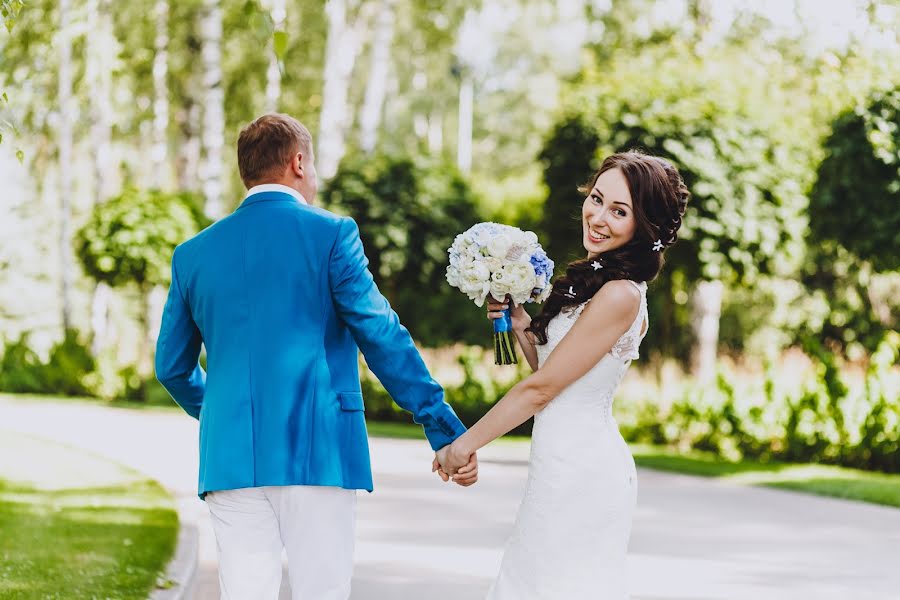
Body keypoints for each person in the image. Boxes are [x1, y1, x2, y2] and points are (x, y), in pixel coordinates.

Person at [155, 112, 477, 600]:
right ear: (298, 162)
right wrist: (443, 426)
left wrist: (222, 408)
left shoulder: (193, 254)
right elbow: (381, 334)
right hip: (318, 448)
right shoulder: (331, 234)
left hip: (231, 455)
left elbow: (171, 367)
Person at [437, 151, 690, 598]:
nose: (598, 216)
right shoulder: (599, 280)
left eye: (620, 211)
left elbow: (541, 389)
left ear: (644, 226)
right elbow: (555, 373)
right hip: (559, 464)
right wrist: (518, 322)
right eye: (597, 198)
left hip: (584, 473)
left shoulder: (620, 295)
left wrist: (463, 446)